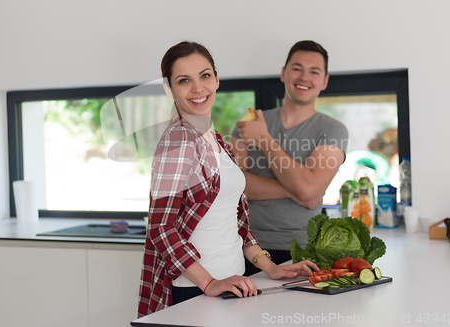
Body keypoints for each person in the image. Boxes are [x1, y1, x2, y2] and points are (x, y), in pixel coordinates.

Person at [137, 41, 319, 317]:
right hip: (196, 288)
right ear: (168, 89)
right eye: (184, 80)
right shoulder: (177, 141)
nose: (198, 88)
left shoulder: (217, 139)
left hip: (233, 281)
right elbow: (161, 227)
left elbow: (235, 220)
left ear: (217, 80)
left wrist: (270, 268)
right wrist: (209, 282)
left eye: (205, 75)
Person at [230, 40, 349, 273]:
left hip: (302, 251)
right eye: (297, 68)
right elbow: (234, 186)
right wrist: (297, 190)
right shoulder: (248, 123)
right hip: (246, 248)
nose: (304, 77)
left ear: (324, 81)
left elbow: (307, 190)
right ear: (284, 74)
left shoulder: (333, 130)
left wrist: (264, 139)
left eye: (314, 72)